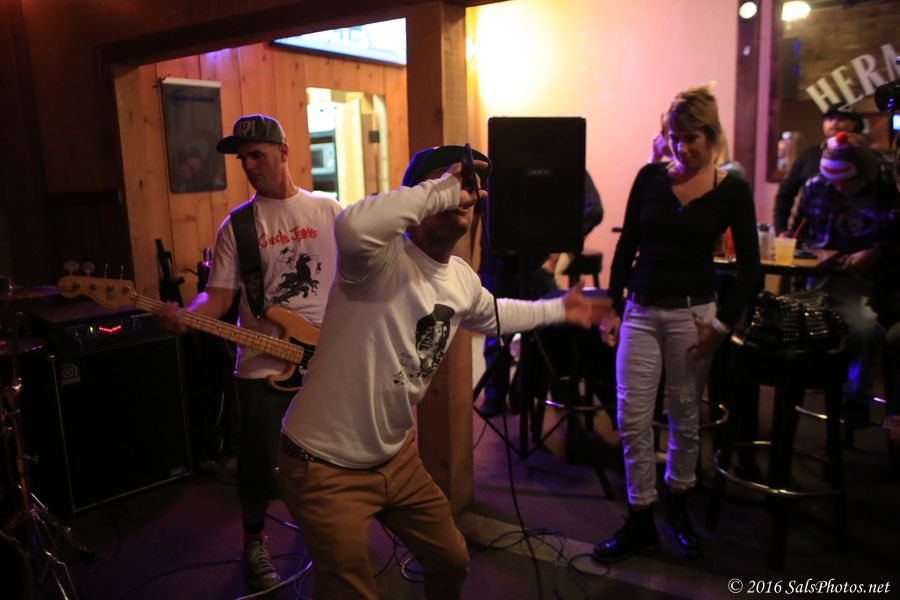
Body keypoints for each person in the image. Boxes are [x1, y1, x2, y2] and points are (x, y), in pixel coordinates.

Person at [275, 145, 612, 599]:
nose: (462, 194)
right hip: (323, 463)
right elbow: (352, 225)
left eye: (468, 187)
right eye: (445, 183)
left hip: (395, 458)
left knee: (450, 559)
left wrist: (559, 309)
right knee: (349, 589)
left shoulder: (460, 278)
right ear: (418, 198)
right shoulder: (376, 258)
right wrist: (444, 190)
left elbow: (498, 313)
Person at [157, 114, 340, 591]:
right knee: (258, 462)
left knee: (328, 456)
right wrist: (188, 314)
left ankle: (324, 532)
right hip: (262, 364)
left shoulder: (329, 210)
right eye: (243, 159)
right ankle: (254, 540)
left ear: (283, 152)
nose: (250, 166)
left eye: (257, 155)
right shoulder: (238, 225)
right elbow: (218, 297)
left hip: (327, 361)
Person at [593, 86, 761, 562]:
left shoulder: (732, 189)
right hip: (641, 311)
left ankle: (679, 505)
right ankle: (640, 516)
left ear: (711, 136)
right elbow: (627, 246)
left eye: (691, 138)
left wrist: (723, 325)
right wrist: (612, 305)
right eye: (674, 137)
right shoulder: (649, 177)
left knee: (685, 417)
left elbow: (750, 268)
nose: (681, 147)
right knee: (631, 417)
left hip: (694, 314)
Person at [477, 170, 603, 417]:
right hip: (500, 263)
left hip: (534, 264)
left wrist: (557, 250)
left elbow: (593, 209)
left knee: (544, 334)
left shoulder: (560, 158)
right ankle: (507, 394)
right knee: (504, 331)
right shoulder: (494, 166)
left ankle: (519, 393)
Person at [794, 131, 893, 428]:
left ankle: (857, 399)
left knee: (863, 328)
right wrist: (809, 250)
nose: (837, 186)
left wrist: (876, 252)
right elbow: (796, 233)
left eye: (846, 181)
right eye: (832, 180)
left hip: (868, 284)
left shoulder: (886, 192)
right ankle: (793, 399)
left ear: (864, 175)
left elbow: (895, 243)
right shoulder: (816, 187)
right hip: (818, 281)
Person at [773, 102, 864, 234]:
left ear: (854, 124)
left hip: (855, 236)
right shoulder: (808, 156)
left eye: (841, 119)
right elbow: (785, 194)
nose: (834, 123)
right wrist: (781, 229)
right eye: (829, 118)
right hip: (811, 237)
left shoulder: (865, 157)